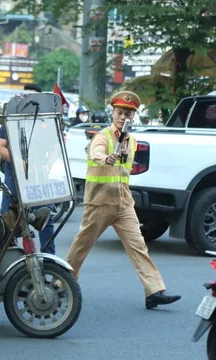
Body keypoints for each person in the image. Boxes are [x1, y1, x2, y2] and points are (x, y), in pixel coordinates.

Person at [65, 91, 181, 310]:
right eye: (120, 113)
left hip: (123, 203)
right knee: (81, 245)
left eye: (128, 114)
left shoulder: (132, 141)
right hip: (99, 202)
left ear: (133, 117)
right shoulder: (102, 136)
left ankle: (154, 291)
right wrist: (106, 158)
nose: (123, 117)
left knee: (139, 247)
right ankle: (63, 284)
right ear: (113, 113)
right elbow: (96, 152)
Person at [0, 83, 56, 255]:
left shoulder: (45, 122)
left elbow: (54, 148)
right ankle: (7, 256)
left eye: (32, 99)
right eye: (24, 98)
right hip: (14, 175)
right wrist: (18, 161)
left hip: (37, 175)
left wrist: (47, 165)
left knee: (46, 216)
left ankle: (49, 257)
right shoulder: (11, 120)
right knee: (8, 217)